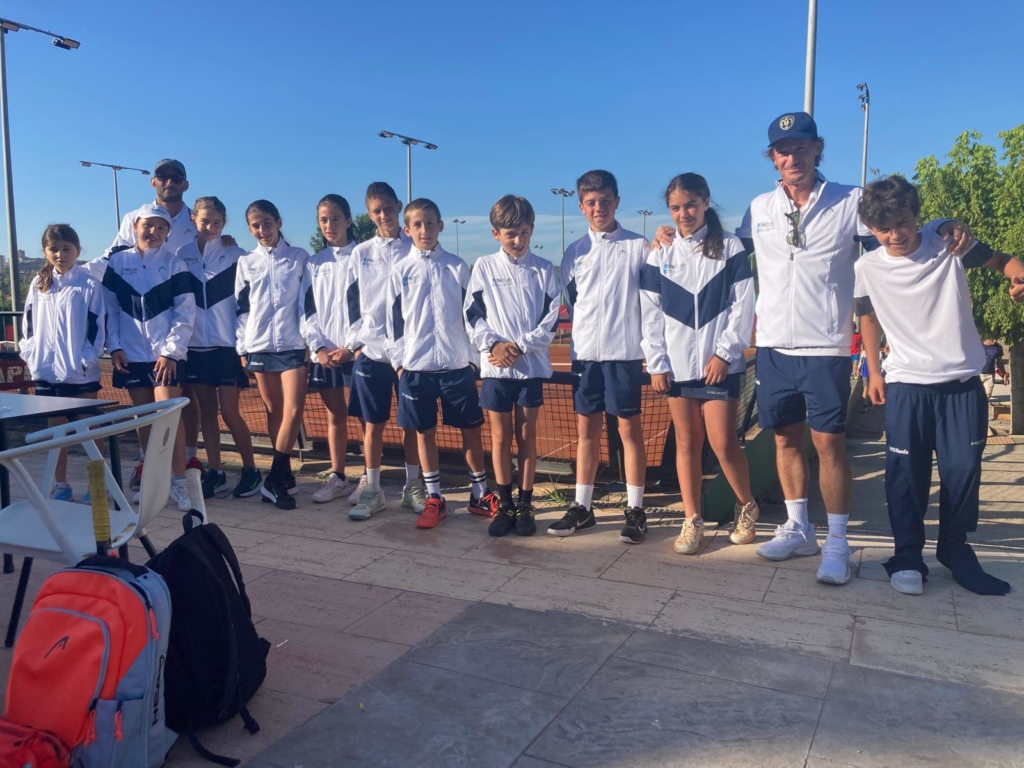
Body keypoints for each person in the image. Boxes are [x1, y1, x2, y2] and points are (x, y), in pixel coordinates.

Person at [657, 112, 974, 584]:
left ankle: (839, 543)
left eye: (801, 147)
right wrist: (669, 235)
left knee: (828, 446)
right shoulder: (759, 208)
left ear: (816, 149)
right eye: (783, 150)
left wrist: (946, 223)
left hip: (826, 347)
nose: (792, 156)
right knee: (785, 440)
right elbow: (720, 249)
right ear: (773, 158)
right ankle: (799, 528)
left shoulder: (848, 201)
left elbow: (895, 229)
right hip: (773, 347)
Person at [856, 175, 1024, 596]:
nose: (895, 235)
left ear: (916, 215)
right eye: (883, 228)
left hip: (962, 386)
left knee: (963, 473)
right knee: (905, 476)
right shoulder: (866, 267)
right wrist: (873, 371)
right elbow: (868, 317)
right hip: (908, 386)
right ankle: (908, 556)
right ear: (872, 229)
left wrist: (1019, 277)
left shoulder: (949, 243)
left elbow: (1004, 261)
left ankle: (955, 549)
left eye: (902, 222)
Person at [643, 173, 758, 554]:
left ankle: (747, 505)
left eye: (690, 205)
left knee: (723, 444)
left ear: (706, 202)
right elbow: (650, 313)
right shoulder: (659, 252)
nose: (683, 213)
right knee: (687, 445)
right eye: (675, 207)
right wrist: (657, 362)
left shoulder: (730, 247)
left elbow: (743, 305)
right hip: (676, 369)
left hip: (718, 367)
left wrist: (725, 354)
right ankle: (691, 520)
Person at [550, 170, 652, 543]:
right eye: (591, 203)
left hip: (624, 355)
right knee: (586, 432)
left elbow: (650, 303)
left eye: (605, 201)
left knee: (629, 432)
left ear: (617, 202)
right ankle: (583, 508)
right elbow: (575, 304)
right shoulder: (573, 253)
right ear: (580, 206)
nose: (599, 208)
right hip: (586, 357)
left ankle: (636, 509)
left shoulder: (639, 247)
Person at [385, 198, 492, 529]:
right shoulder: (400, 271)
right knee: (424, 434)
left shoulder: (458, 267)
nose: (424, 230)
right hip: (416, 370)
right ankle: (434, 497)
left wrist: (473, 361)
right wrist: (401, 364)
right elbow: (392, 323)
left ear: (440, 226)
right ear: (407, 230)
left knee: (471, 431)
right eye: (416, 224)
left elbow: (474, 315)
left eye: (430, 223)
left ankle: (480, 495)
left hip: (456, 368)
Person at [466, 195, 560, 537]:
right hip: (495, 370)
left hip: (529, 370)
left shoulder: (545, 269)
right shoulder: (484, 267)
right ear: (496, 234)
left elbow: (551, 321)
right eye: (510, 234)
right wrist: (494, 345)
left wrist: (519, 346)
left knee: (526, 436)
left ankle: (525, 504)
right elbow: (472, 314)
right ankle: (504, 506)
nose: (518, 240)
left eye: (523, 232)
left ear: (532, 230)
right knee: (501, 437)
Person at [100, 203, 196, 511]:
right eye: (148, 225)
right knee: (143, 417)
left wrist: (170, 352)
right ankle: (152, 477)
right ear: (135, 226)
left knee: (169, 417)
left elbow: (185, 312)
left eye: (160, 227)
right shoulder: (116, 263)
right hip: (131, 356)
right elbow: (111, 310)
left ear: (168, 233)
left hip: (165, 356)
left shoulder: (175, 264)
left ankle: (180, 483)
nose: (152, 232)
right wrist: (114, 346)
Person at [345, 182, 425, 519]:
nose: (383, 216)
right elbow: (351, 301)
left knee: (411, 425)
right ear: (369, 214)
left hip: (408, 356)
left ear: (398, 206)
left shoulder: (415, 248)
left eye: (388, 209)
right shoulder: (361, 252)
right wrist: (358, 344)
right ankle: (374, 490)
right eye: (376, 211)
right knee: (372, 425)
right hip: (373, 354)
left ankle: (413, 487)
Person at [176, 197, 262, 499]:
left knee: (230, 411)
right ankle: (217, 471)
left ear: (224, 224)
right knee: (207, 413)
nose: (210, 227)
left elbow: (251, 299)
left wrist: (246, 343)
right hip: (195, 347)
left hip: (228, 347)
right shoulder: (180, 254)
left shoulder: (236, 254)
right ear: (194, 222)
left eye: (216, 222)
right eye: (204, 221)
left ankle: (251, 470)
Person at [20, 224, 105, 501]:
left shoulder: (90, 283)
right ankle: (61, 485)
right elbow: (29, 325)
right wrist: (31, 354)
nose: (60, 254)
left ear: (77, 251)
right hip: (46, 372)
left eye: (66, 248)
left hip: (80, 374)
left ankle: (97, 487)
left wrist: (85, 360)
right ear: (45, 252)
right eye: (53, 249)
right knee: (56, 433)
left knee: (89, 431)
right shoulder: (38, 283)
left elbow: (98, 327)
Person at [235, 200, 310, 510]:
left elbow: (308, 301)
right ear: (250, 229)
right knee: (274, 411)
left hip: (293, 344)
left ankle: (274, 480)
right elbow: (241, 307)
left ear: (278, 221)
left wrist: (308, 340)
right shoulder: (246, 262)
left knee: (294, 410)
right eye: (256, 225)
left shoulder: (299, 257)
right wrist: (242, 346)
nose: (262, 230)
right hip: (260, 345)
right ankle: (285, 472)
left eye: (267, 222)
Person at [303, 194, 361, 504]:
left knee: (368, 417)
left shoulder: (364, 257)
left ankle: (370, 478)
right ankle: (338, 476)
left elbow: (371, 308)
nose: (329, 225)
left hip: (359, 353)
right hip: (326, 355)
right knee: (335, 415)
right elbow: (307, 311)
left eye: (335, 218)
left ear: (349, 220)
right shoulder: (314, 263)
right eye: (324, 220)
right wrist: (319, 348)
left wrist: (352, 347)